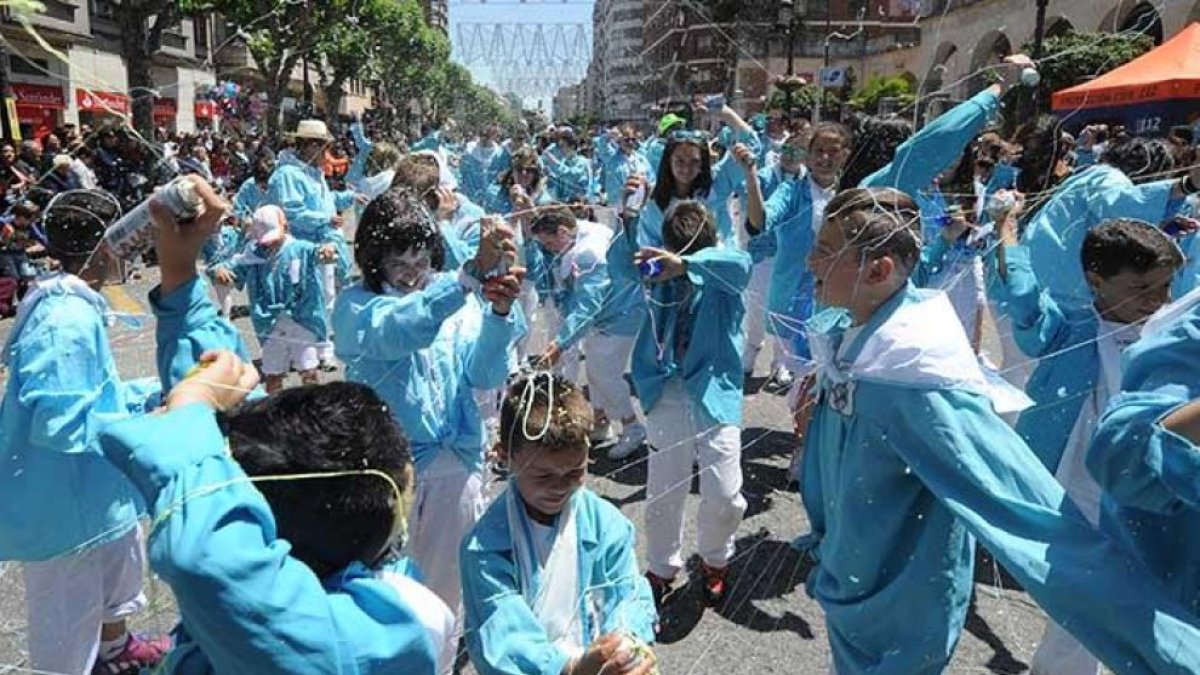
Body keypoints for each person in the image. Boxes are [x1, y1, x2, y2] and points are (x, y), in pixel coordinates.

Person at [795, 186, 1200, 674]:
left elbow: (1031, 519)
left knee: (1075, 583)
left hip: (897, 608)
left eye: (821, 251)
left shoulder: (914, 378)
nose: (809, 261)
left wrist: (1180, 654)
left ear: (878, 271)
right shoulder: (855, 340)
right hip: (850, 583)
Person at [995, 213, 1184, 674]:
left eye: (1166, 286)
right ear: (1096, 281)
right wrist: (1007, 234)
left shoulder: (1172, 335)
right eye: (1143, 286)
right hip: (1070, 480)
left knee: (1125, 598)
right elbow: (1023, 296)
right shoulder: (1068, 329)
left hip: (1139, 489)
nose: (1159, 300)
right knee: (1084, 598)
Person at [0, 189, 170, 675]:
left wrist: (144, 393)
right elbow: (60, 423)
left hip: (91, 494)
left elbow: (93, 394)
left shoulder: (71, 304)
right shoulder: (66, 319)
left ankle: (114, 653)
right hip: (64, 507)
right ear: (107, 244)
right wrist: (140, 425)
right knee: (66, 624)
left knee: (114, 580)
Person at [332, 188, 525, 617]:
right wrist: (467, 277)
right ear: (373, 258)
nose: (410, 274)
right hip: (384, 469)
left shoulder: (455, 297)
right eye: (397, 263)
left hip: (455, 463)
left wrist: (498, 315)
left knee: (442, 592)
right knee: (378, 586)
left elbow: (485, 375)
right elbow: (402, 330)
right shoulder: (355, 305)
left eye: (420, 261)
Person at [461, 373, 658, 675]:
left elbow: (627, 592)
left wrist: (627, 647)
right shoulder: (485, 548)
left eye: (575, 472)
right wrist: (570, 668)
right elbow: (503, 637)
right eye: (542, 476)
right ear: (504, 457)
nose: (559, 487)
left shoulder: (605, 524)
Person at [611, 200, 750, 610]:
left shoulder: (722, 271)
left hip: (714, 391)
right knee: (664, 487)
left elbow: (740, 266)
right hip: (666, 388)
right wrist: (628, 222)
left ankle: (715, 558)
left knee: (726, 494)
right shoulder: (657, 274)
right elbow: (621, 268)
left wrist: (686, 263)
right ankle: (660, 567)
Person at [530, 207, 647, 458]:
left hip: (619, 315)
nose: (550, 249)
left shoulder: (586, 254)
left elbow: (587, 306)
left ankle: (632, 427)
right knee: (595, 371)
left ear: (563, 231)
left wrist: (559, 344)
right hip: (616, 311)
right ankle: (601, 422)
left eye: (550, 243)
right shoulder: (585, 230)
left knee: (605, 375)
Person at [266, 119, 358, 370]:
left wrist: (349, 197)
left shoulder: (312, 171)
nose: (325, 153)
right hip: (303, 248)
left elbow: (324, 200)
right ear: (307, 145)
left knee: (327, 297)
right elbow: (292, 212)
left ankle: (318, 348)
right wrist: (325, 218)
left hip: (325, 244)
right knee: (308, 301)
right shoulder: (287, 175)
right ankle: (314, 351)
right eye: (321, 147)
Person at [212, 205, 326, 393]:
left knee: (308, 371)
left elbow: (321, 252)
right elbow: (230, 268)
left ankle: (312, 410)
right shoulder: (253, 254)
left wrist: (327, 250)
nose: (269, 244)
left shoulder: (301, 249)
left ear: (285, 226)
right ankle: (274, 415)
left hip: (301, 320)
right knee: (273, 375)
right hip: (270, 323)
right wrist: (221, 270)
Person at [632, 102, 757, 250]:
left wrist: (724, 112)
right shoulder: (656, 203)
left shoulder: (716, 184)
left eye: (694, 161)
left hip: (720, 269)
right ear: (668, 162)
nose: (686, 168)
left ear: (703, 164)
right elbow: (648, 250)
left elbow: (752, 144)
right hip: (675, 271)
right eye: (679, 161)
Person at [593, 125, 652, 212]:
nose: (630, 142)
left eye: (633, 139)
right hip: (618, 209)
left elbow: (651, 180)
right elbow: (602, 143)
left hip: (639, 209)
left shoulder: (641, 159)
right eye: (627, 140)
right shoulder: (611, 157)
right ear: (619, 141)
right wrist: (610, 134)